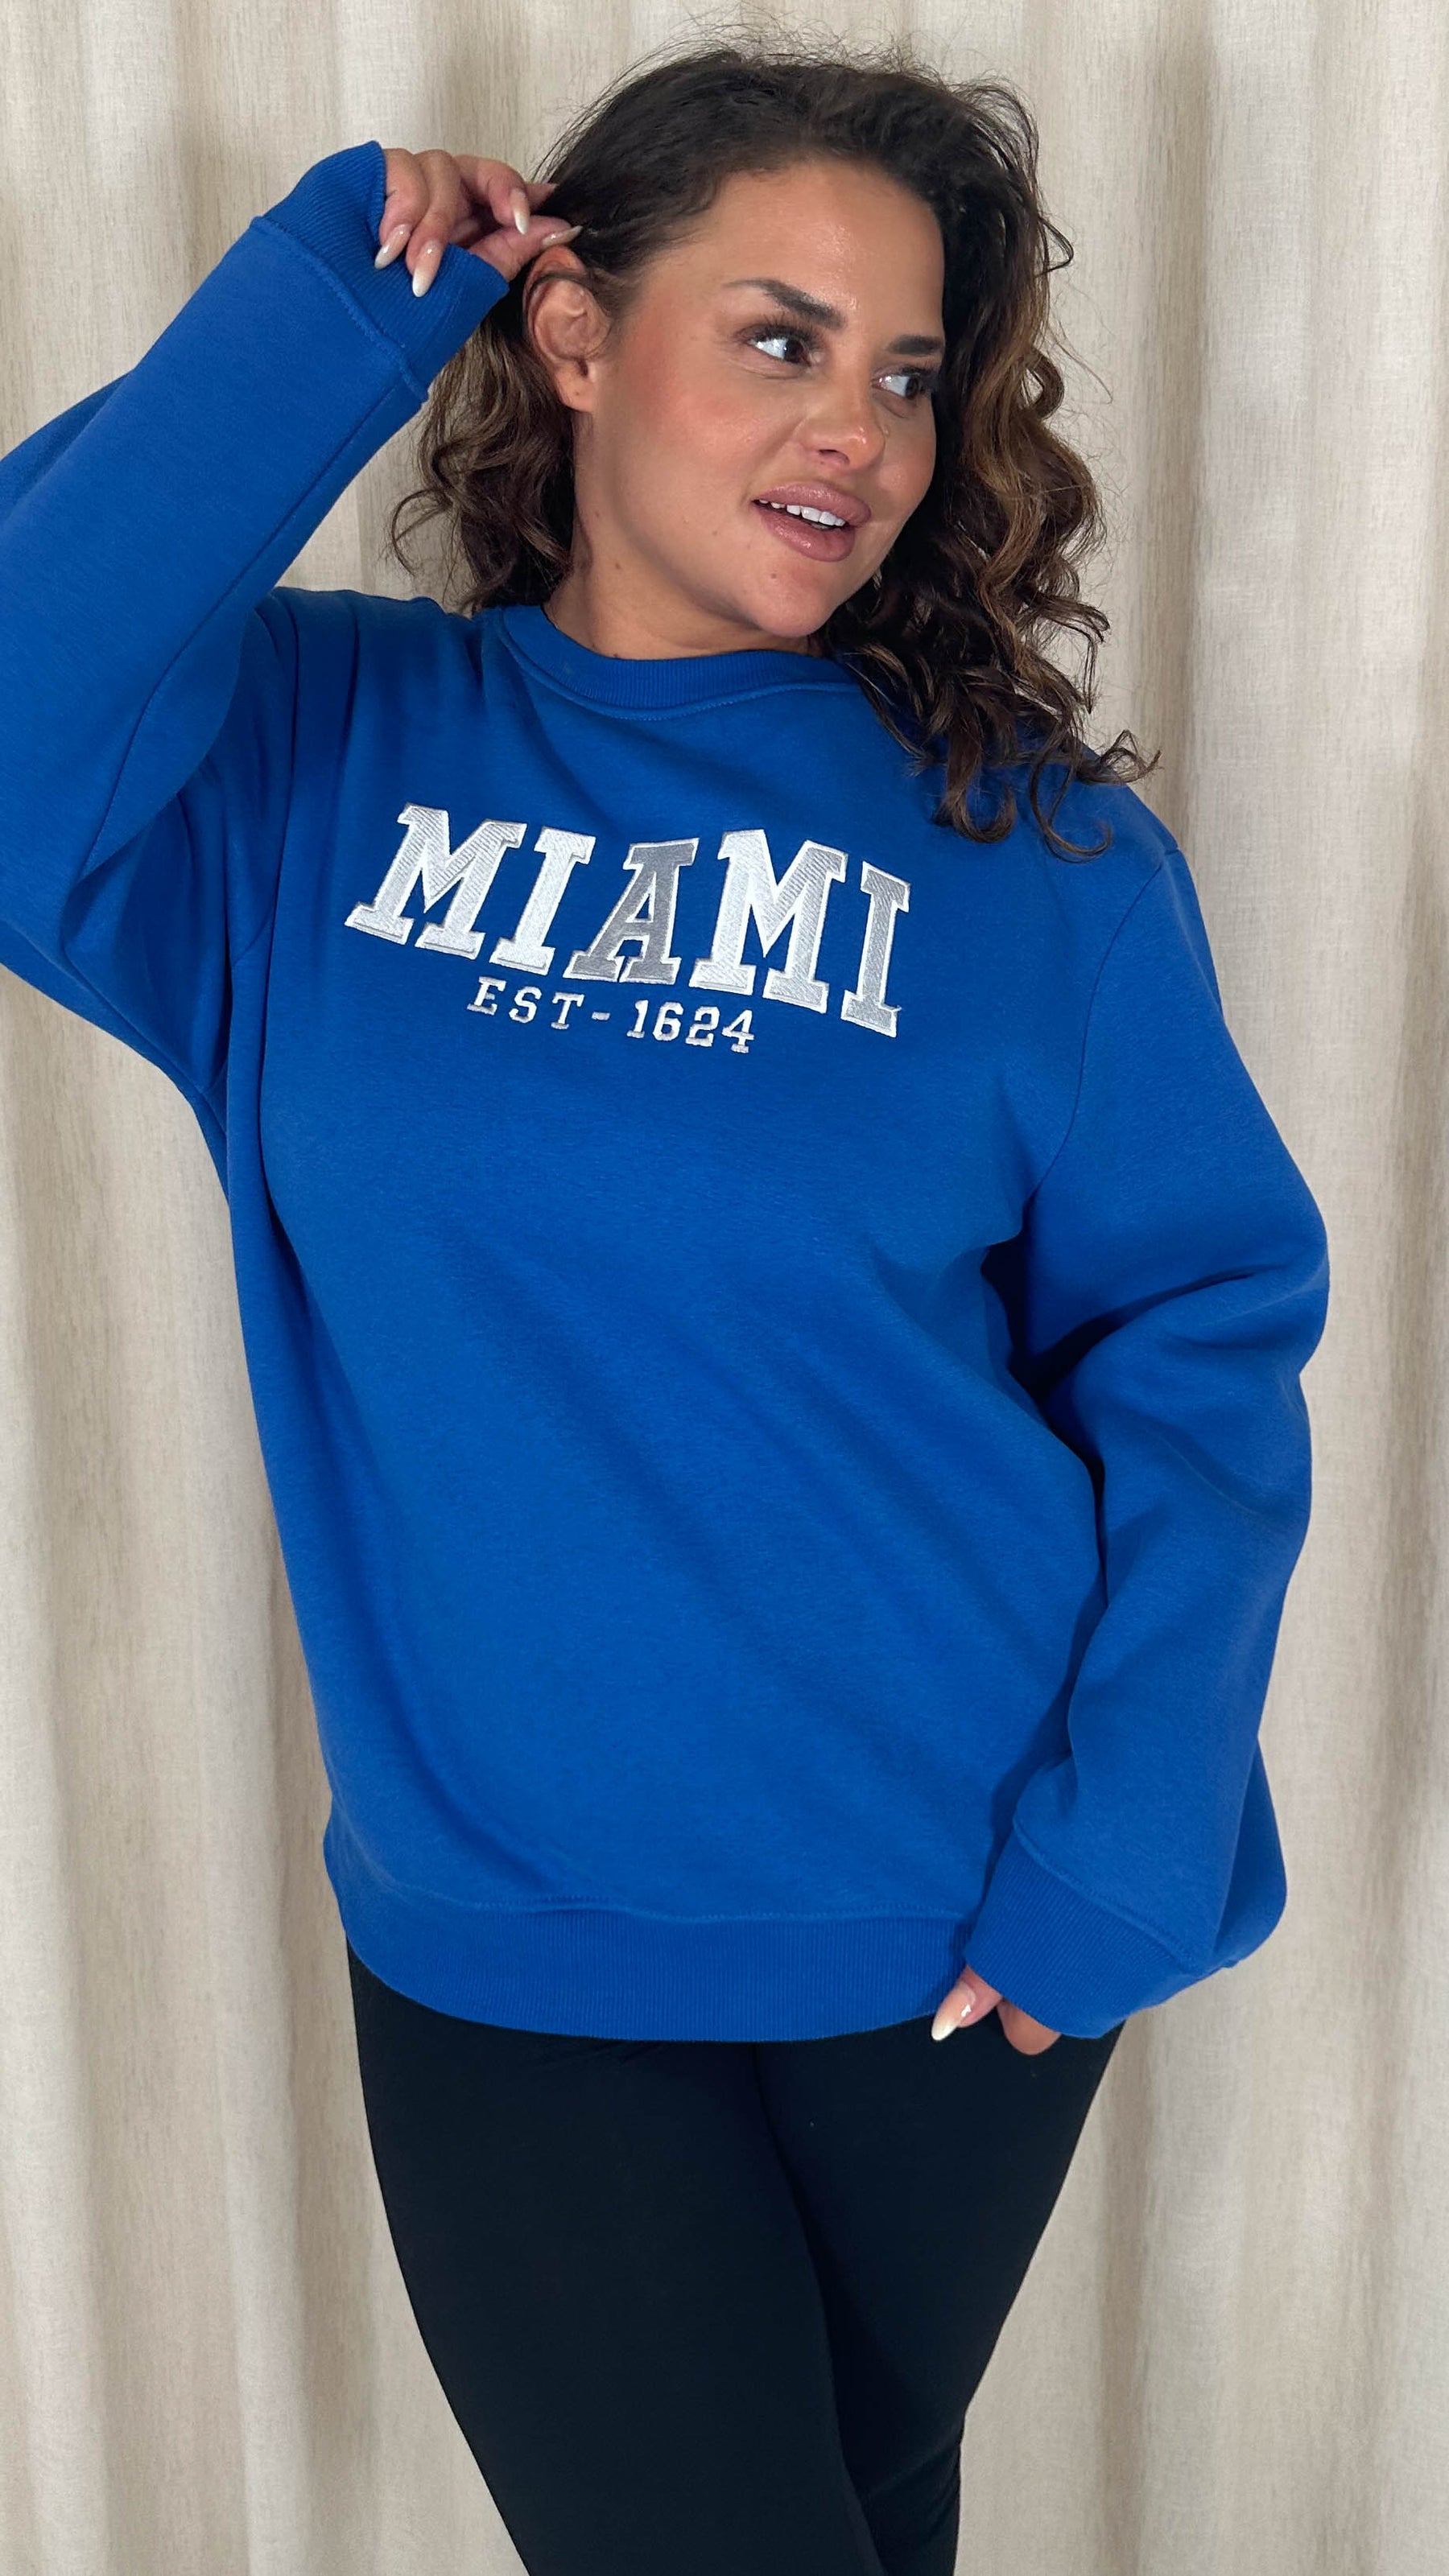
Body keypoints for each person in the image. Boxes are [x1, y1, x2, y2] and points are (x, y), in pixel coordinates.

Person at [0, 30, 1330, 2576]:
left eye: (909, 369)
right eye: (779, 337)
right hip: (513, 1928)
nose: (860, 430)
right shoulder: (307, 759)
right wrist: (329, 303)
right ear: (577, 334)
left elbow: (1198, 1349)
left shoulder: (1032, 861)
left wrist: (1130, 1846)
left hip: (952, 1929)